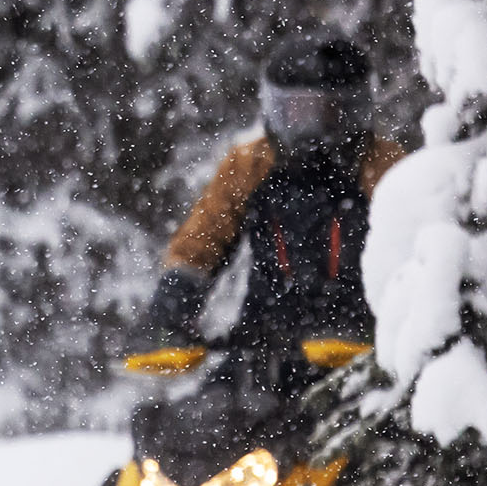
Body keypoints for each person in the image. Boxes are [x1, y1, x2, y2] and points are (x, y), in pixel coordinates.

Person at [142, 32, 406, 368]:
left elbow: (416, 248)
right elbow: (202, 240)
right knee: (189, 418)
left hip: (360, 356)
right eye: (298, 111)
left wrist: (374, 322)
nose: (311, 127)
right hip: (263, 349)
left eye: (326, 112)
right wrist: (172, 305)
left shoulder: (386, 167)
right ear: (275, 107)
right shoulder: (249, 164)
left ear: (352, 111)